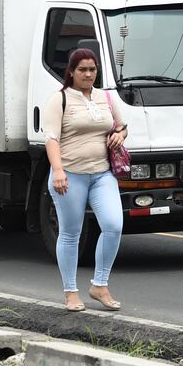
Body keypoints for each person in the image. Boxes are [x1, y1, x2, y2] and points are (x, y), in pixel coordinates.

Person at [42, 48, 128, 312]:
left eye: (92, 69)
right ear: (71, 71)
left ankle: (100, 285)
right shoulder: (60, 99)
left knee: (113, 225)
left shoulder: (106, 98)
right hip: (70, 175)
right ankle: (70, 292)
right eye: (82, 70)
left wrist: (120, 135)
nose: (88, 74)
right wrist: (58, 171)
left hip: (102, 173)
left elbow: (121, 126)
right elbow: (51, 138)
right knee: (70, 234)